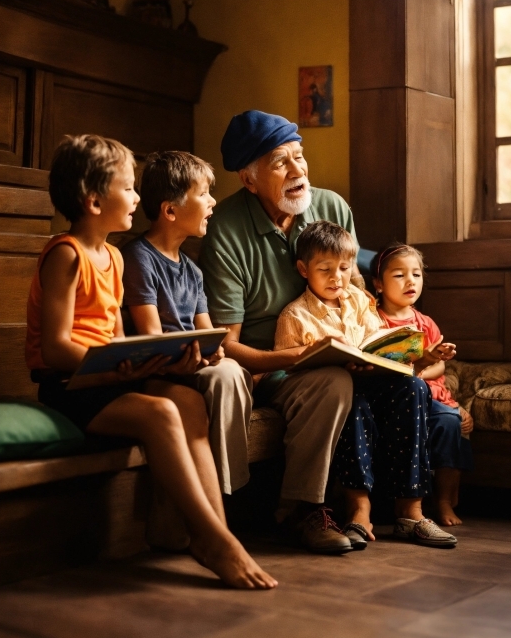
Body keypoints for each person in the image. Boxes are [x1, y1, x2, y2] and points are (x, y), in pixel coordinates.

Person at [25, 134, 276, 590]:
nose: (138, 196)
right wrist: (111, 364)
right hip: (71, 385)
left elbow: (118, 338)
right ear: (94, 200)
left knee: (189, 402)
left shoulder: (115, 257)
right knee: (161, 411)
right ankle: (214, 541)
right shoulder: (65, 254)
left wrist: (136, 364)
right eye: (128, 187)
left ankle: (215, 533)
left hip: (107, 378)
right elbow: (57, 347)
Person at [200, 110, 366, 554]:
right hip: (264, 366)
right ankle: (279, 511)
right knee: (327, 380)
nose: (298, 171)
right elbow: (226, 344)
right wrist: (294, 358)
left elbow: (356, 291)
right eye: (281, 162)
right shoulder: (225, 229)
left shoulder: (331, 207)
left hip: (328, 354)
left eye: (300, 156)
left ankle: (330, 510)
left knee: (352, 380)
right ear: (249, 179)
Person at [274, 221, 459, 549]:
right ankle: (359, 508)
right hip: (340, 386)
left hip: (374, 377)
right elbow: (291, 370)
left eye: (345, 268)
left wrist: (404, 354)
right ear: (303, 269)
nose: (337, 278)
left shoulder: (359, 300)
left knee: (413, 388)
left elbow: (377, 337)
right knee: (350, 394)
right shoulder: (295, 315)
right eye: (325, 269)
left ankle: (411, 512)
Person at [121, 150, 254, 498]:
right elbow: (150, 336)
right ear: (170, 210)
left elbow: (210, 336)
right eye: (204, 193)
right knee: (226, 377)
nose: (212, 202)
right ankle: (222, 498)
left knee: (231, 371)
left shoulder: (192, 270)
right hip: (154, 371)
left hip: (186, 364)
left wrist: (213, 353)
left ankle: (226, 491)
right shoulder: (138, 258)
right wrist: (200, 354)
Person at [372, 243, 474, 527]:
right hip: (395, 398)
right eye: (399, 275)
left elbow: (440, 365)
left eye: (416, 275)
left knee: (451, 423)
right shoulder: (373, 320)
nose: (410, 282)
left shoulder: (424, 322)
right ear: (378, 284)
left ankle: (443, 501)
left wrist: (423, 369)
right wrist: (410, 371)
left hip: (429, 394)